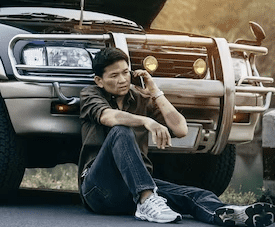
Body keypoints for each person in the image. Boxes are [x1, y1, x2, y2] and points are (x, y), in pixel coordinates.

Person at [79, 47, 275, 226]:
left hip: (133, 187)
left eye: (125, 72)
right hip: (99, 189)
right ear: (99, 81)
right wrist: (146, 121)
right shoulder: (90, 94)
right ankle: (146, 200)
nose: (122, 79)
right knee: (121, 131)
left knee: (197, 194)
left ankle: (226, 214)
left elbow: (180, 128)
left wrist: (155, 92)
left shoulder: (139, 98)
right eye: (114, 75)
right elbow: (109, 117)